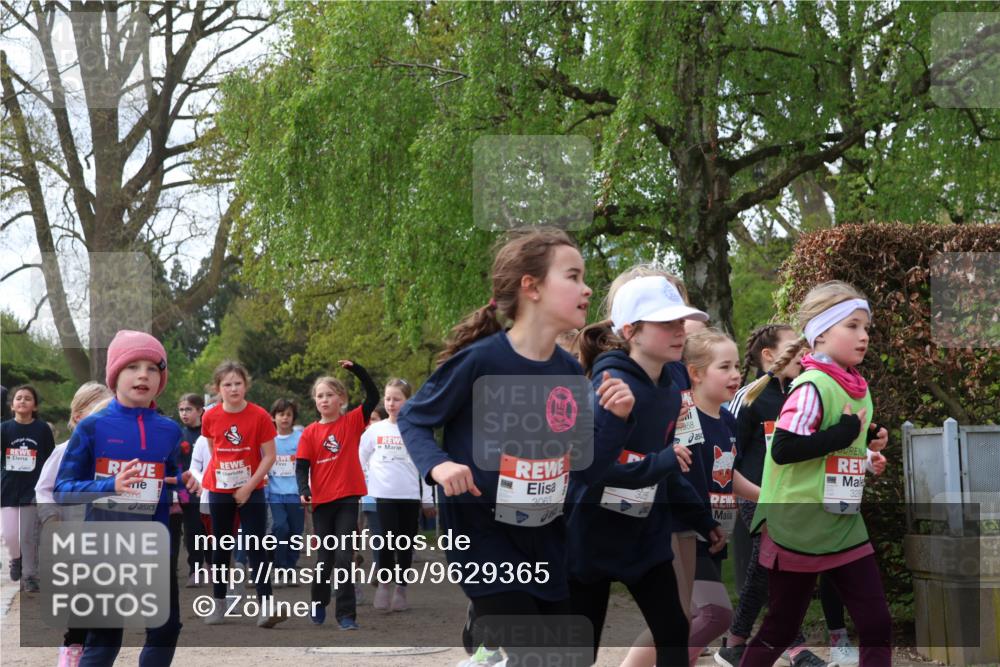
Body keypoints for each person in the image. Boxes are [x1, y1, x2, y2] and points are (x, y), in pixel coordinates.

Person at [397, 228, 636, 667]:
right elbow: (413, 417)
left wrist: (617, 423)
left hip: (544, 540)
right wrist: (439, 466)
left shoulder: (568, 371)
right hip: (481, 536)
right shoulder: (482, 360)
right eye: (572, 276)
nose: (587, 288)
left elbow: (584, 471)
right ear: (532, 287)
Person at [569, 275, 724, 666]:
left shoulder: (673, 381)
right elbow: (591, 472)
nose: (679, 331)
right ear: (631, 331)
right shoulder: (611, 384)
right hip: (591, 535)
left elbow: (667, 460)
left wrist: (700, 517)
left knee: (673, 631)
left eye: (680, 322)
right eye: (666, 322)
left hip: (644, 534)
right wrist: (662, 462)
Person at [740, 281, 891, 667]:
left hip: (841, 522)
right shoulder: (810, 385)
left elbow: (835, 443)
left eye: (867, 328)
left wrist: (868, 446)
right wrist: (844, 432)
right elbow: (786, 448)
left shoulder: (854, 384)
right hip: (798, 526)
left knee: (876, 624)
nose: (864, 336)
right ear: (821, 333)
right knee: (779, 629)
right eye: (853, 326)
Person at [55, 330, 199, 666]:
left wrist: (185, 482)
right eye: (132, 366)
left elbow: (170, 481)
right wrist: (109, 486)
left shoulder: (169, 430)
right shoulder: (91, 427)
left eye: (152, 368)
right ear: (115, 375)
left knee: (165, 631)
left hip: (155, 546)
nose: (143, 375)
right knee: (104, 641)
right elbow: (62, 489)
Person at [717, 324, 854, 667]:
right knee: (780, 565)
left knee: (765, 569)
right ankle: (794, 648)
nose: (805, 356)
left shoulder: (804, 391)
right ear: (769, 356)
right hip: (754, 494)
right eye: (796, 350)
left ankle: (734, 641)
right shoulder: (747, 397)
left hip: (794, 497)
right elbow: (723, 456)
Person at [199, 360, 285, 627]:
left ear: (246, 385)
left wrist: (248, 486)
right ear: (218, 388)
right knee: (221, 547)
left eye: (238, 383)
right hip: (220, 489)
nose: (233, 389)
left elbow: (270, 456)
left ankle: (266, 606)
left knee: (255, 545)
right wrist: (226, 481)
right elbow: (215, 451)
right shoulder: (210, 416)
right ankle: (219, 603)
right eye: (227, 384)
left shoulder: (259, 415)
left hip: (253, 489)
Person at [296, 362, 380, 628]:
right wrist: (304, 490)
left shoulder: (352, 422)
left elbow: (373, 396)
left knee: (344, 557)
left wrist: (357, 370)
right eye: (320, 395)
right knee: (325, 558)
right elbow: (302, 468)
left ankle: (346, 615)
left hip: (347, 498)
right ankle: (319, 601)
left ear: (341, 399)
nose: (324, 399)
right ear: (315, 400)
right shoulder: (309, 433)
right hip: (321, 503)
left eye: (330, 394)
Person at [360, 378, 435, 612]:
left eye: (397, 399)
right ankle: (384, 584)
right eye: (388, 399)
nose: (391, 404)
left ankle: (401, 588)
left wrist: (428, 498)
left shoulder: (417, 430)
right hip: (382, 494)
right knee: (384, 541)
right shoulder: (375, 431)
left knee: (404, 544)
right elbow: (360, 459)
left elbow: (427, 465)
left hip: (410, 495)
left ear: (407, 401)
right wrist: (365, 488)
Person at [2, 384, 55, 592]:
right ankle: (16, 559)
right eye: (18, 398)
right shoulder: (4, 429)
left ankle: (29, 577)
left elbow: (50, 457)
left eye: (27, 398)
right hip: (8, 487)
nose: (22, 401)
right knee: (9, 535)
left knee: (27, 535)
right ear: (12, 405)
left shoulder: (41, 429)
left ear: (35, 405)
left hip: (32, 488)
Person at [268, 398, 304, 576]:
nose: (285, 418)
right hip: (275, 494)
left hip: (295, 494)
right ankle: (279, 565)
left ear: (293, 418)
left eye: (288, 415)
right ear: (273, 417)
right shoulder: (268, 439)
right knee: (280, 528)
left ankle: (290, 566)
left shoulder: (300, 438)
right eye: (281, 414)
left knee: (296, 532)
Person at [176, 393, 209, 587]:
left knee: (211, 533)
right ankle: (195, 570)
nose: (184, 414)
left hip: (210, 492)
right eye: (181, 410)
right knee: (191, 534)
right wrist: (180, 492)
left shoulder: (209, 435)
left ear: (200, 411)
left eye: (188, 409)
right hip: (188, 494)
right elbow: (176, 465)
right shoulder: (179, 436)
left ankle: (212, 566)